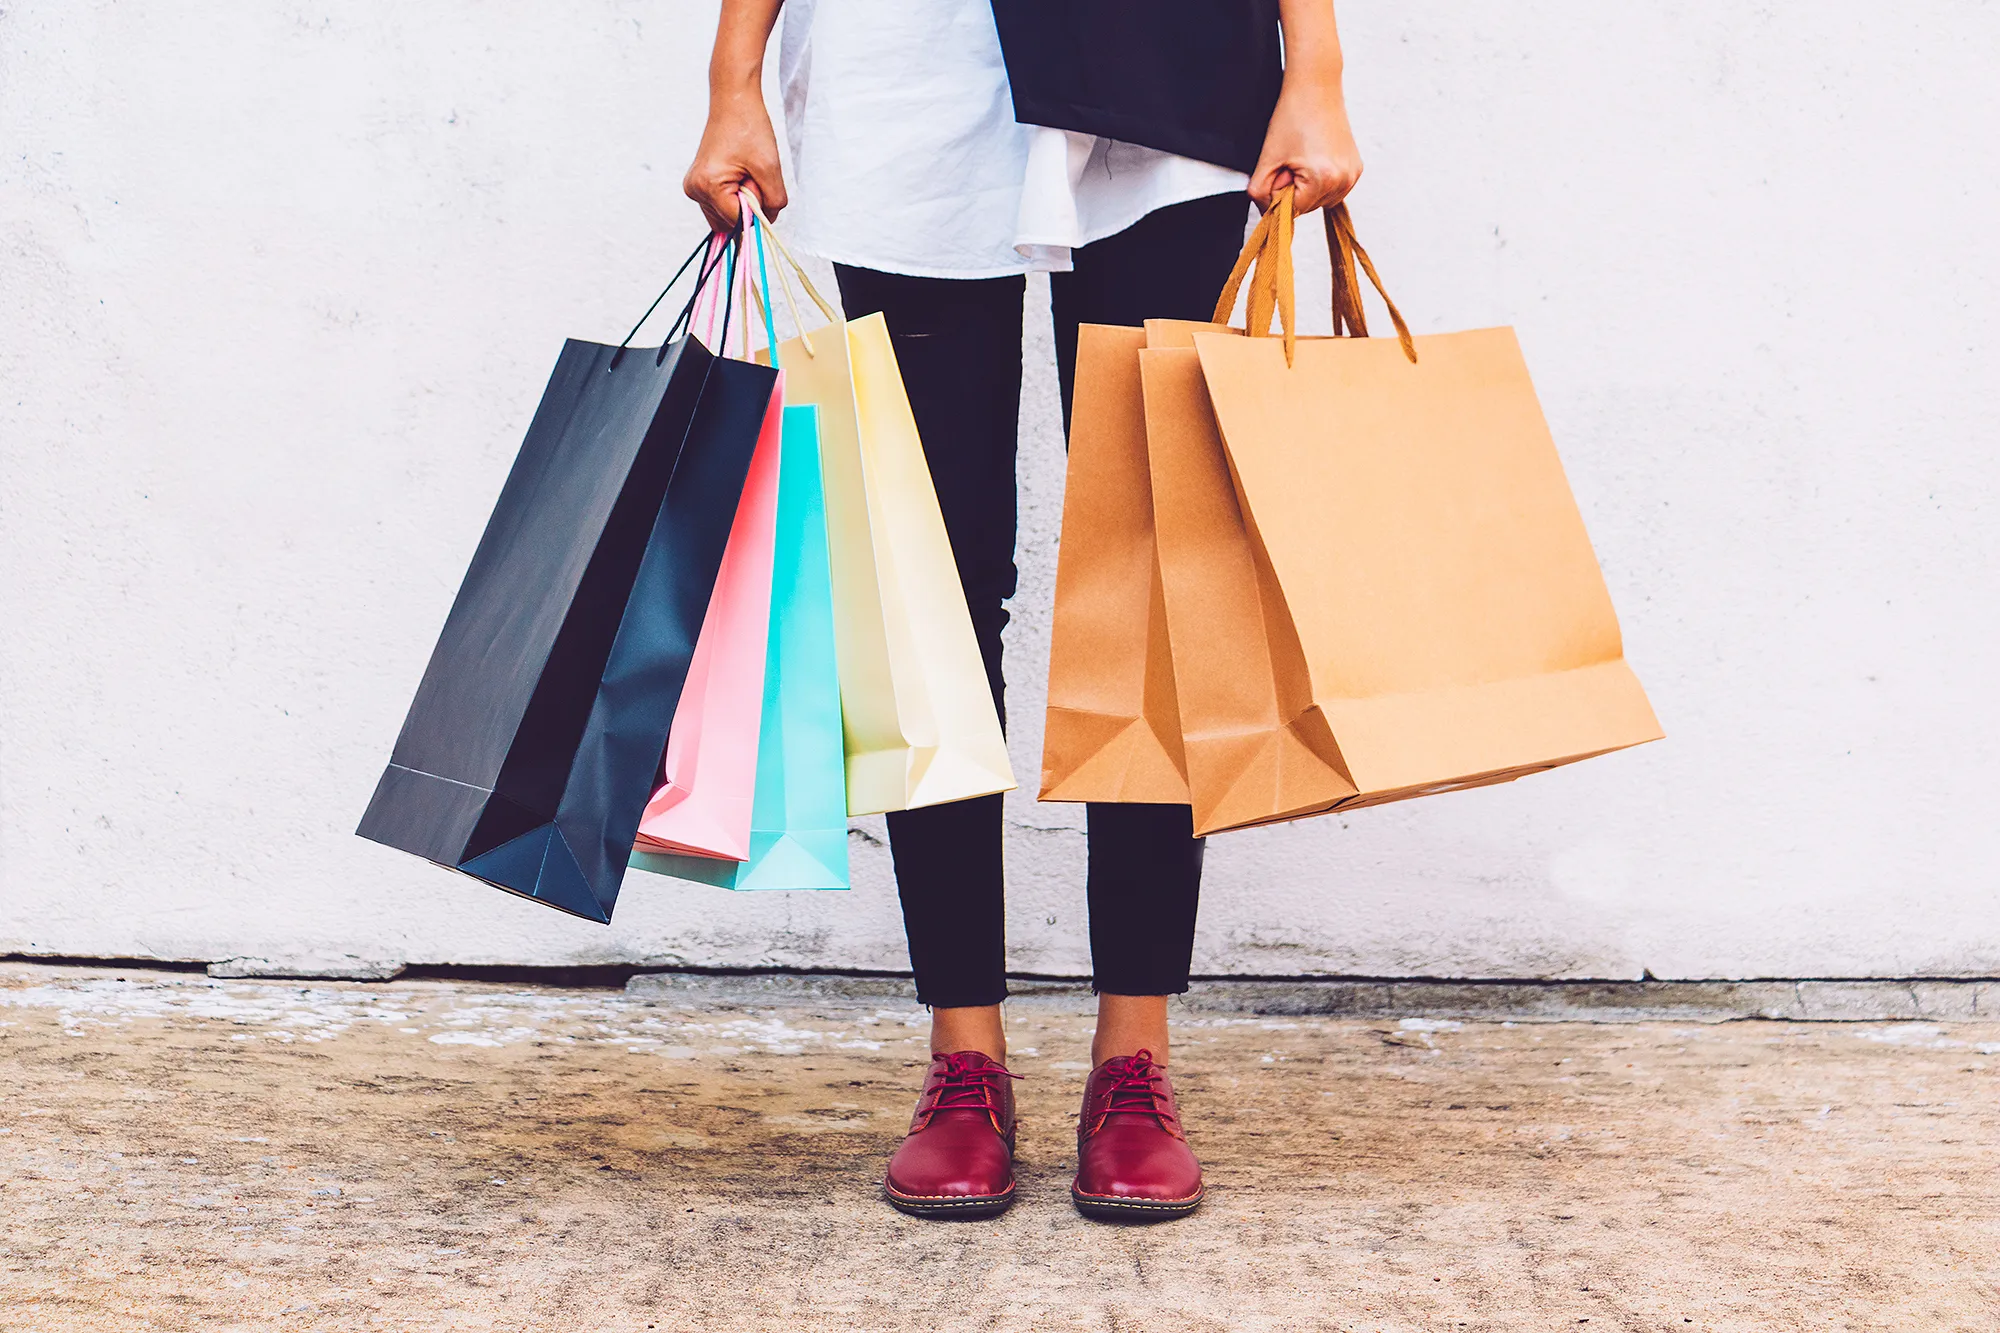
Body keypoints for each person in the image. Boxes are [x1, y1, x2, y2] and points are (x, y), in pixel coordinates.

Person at [683, 0, 1364, 1221]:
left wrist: (1314, 60)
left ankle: (1132, 1053)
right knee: (931, 584)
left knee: (1154, 576)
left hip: (1168, 66)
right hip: (911, 72)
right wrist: (736, 73)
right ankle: (963, 1055)